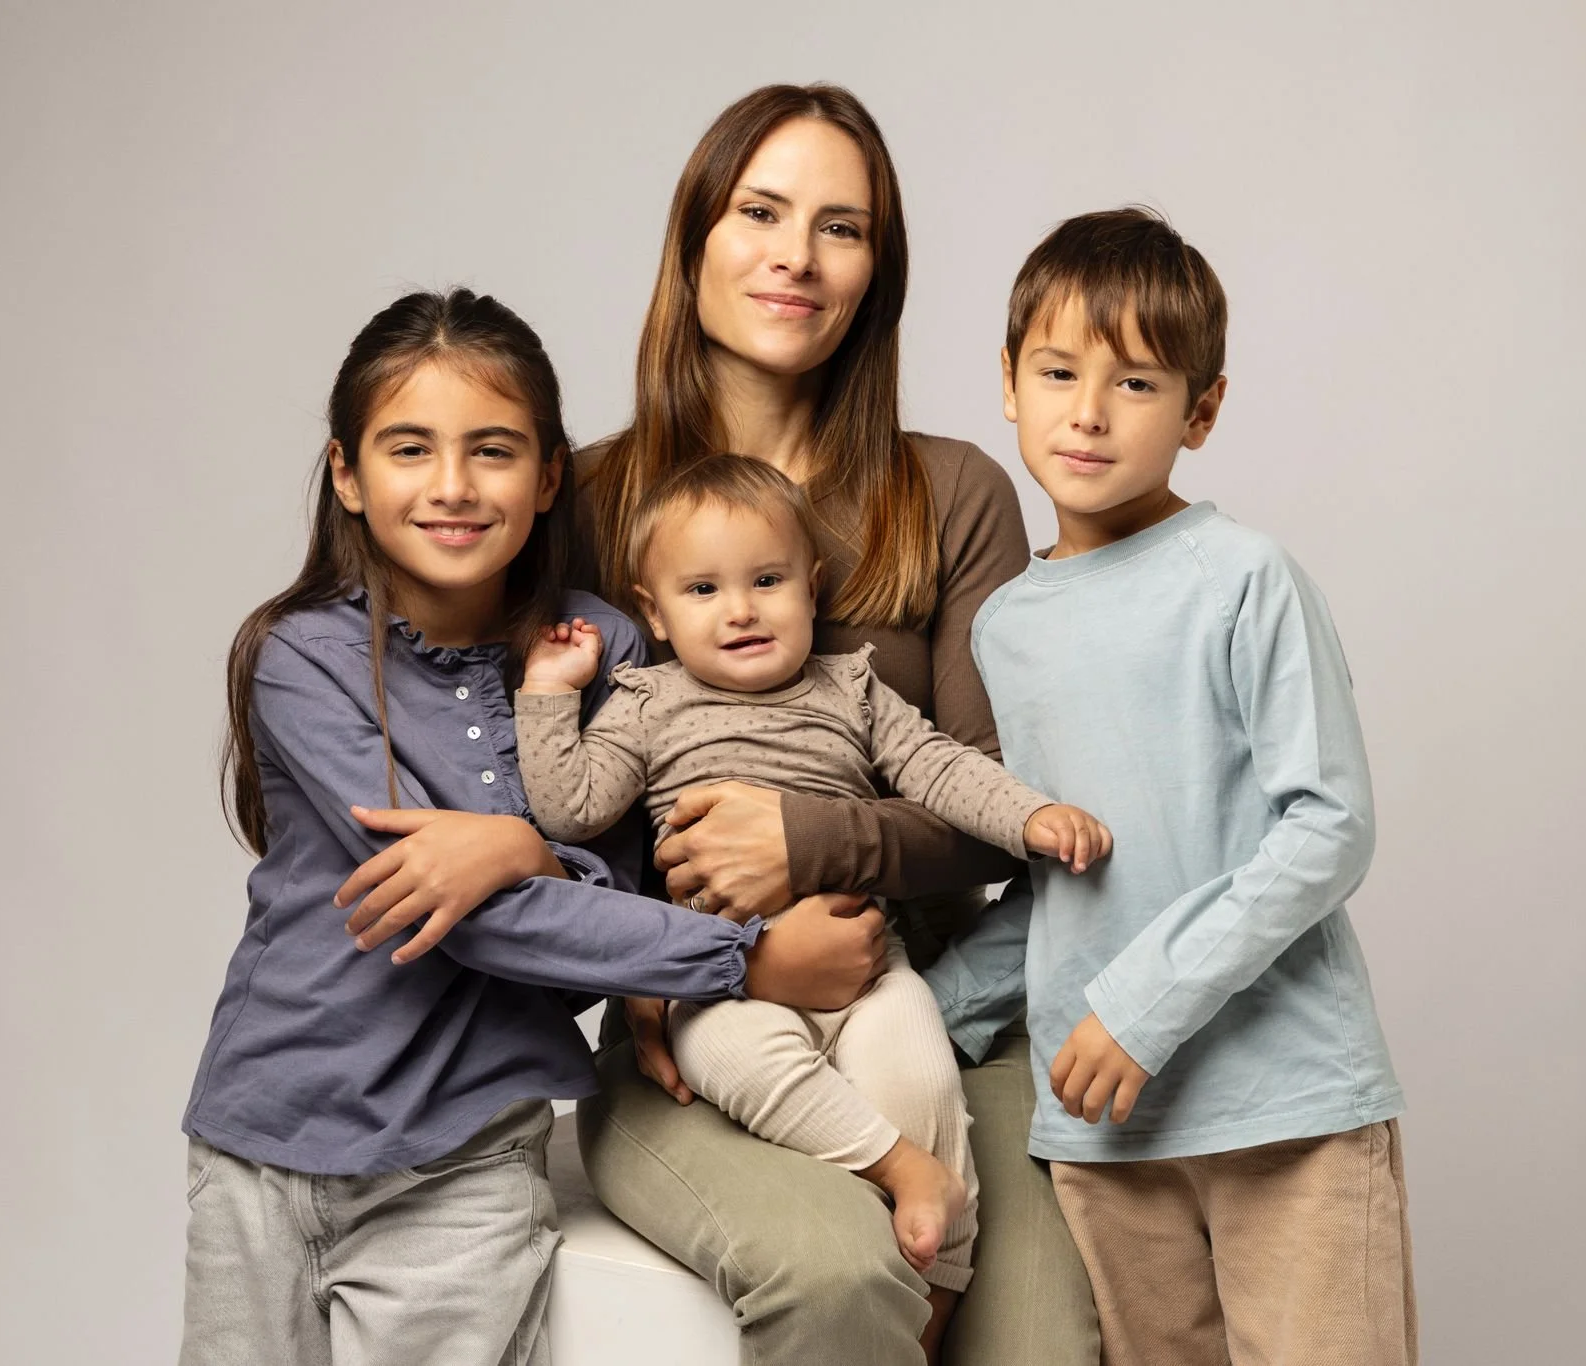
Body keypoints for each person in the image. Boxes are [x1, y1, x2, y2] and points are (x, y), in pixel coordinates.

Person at [339, 83, 1101, 1366]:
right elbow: (538, 793)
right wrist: (708, 958)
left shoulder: (952, 491)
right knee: (837, 1278)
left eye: (840, 227)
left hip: (937, 1006)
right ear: (695, 237)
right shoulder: (578, 502)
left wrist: (806, 839)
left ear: (877, 272)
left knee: (1035, 1342)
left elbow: (987, 816)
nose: (795, 256)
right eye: (759, 211)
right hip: (688, 1034)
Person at [178, 288, 885, 1366]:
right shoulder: (303, 656)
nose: (452, 486)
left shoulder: (605, 650)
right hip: (257, 1143)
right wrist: (739, 957)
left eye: (493, 451)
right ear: (347, 476)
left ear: (550, 474)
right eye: (409, 449)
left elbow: (622, 885)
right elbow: (446, 908)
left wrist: (527, 853)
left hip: (462, 1161)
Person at [927, 207, 1416, 1366]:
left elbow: (1328, 828)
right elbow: (1064, 881)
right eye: (1055, 372)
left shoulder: (1243, 577)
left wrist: (1138, 1009)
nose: (1086, 413)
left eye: (1135, 383)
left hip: (1285, 1108)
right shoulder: (1005, 626)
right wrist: (920, 1014)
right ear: (1007, 382)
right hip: (1107, 1137)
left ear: (1201, 409)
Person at [513, 452, 1111, 1294]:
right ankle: (904, 1173)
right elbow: (572, 808)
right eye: (703, 591)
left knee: (921, 1072)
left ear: (812, 586)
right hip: (717, 978)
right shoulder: (646, 703)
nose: (742, 610)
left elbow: (940, 768)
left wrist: (1028, 815)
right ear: (652, 611)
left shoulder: (852, 688)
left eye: (767, 580)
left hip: (869, 963)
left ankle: (935, 1299)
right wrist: (547, 690)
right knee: (743, 1063)